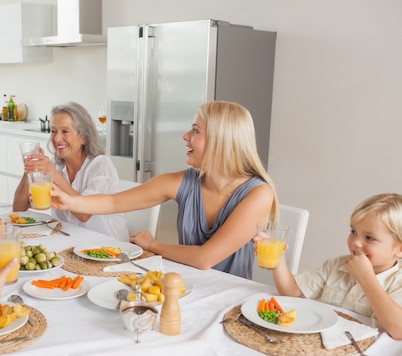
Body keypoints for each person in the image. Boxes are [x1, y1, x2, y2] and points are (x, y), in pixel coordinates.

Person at [51, 101, 278, 280]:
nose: (186, 136)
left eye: (195, 131)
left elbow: (204, 258)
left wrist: (153, 245)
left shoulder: (258, 195)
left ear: (221, 140)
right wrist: (69, 201)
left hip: (228, 297)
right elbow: (114, 203)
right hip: (186, 283)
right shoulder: (185, 182)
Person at [268, 193, 402, 340]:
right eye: (354, 232)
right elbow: (293, 293)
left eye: (370, 238)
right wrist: (278, 258)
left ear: (399, 249)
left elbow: (398, 330)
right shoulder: (336, 265)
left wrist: (366, 279)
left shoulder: (398, 283)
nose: (355, 242)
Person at [12, 102, 128, 241]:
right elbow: (18, 209)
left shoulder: (100, 165)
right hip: (69, 240)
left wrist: (53, 173)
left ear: (83, 137)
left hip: (106, 245)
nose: (57, 138)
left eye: (65, 131)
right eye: (53, 131)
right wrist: (30, 169)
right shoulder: (56, 165)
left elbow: (84, 214)